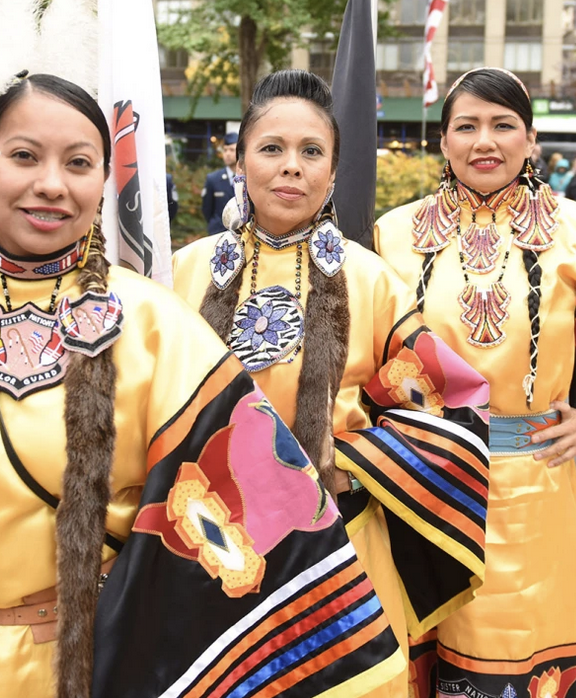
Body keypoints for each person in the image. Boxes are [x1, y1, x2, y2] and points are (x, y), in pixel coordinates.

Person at [0, 74, 403, 698]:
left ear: (104, 180)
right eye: (24, 157)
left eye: (78, 163)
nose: (51, 184)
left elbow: (261, 504)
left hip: (97, 669)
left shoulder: (158, 327)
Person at [374, 68, 576, 698]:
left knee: (515, 654)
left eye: (504, 126)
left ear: (530, 140)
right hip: (417, 485)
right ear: (442, 140)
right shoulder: (390, 236)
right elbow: (355, 356)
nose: (485, 141)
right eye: (467, 126)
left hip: (531, 489)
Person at [173, 70, 493, 698]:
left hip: (342, 552)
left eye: (310, 152)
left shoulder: (371, 280)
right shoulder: (185, 271)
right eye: (271, 148)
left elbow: (454, 403)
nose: (291, 167)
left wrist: (350, 459)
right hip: (208, 553)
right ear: (238, 161)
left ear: (333, 172)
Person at [201, 131, 238, 234]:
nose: (227, 154)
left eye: (231, 150)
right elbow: (207, 209)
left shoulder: (249, 178)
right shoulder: (213, 179)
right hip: (218, 233)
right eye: (225, 150)